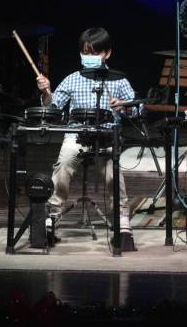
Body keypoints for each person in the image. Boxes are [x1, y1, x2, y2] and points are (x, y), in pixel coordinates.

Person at [36, 27, 138, 251]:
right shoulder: (72, 80)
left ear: (107, 54)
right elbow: (52, 109)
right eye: (86, 52)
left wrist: (125, 108)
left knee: (114, 174)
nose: (89, 57)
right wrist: (46, 92)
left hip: (107, 137)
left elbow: (139, 109)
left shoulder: (119, 81)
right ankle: (51, 219)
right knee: (63, 165)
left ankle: (122, 225)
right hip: (76, 135)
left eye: (94, 53)